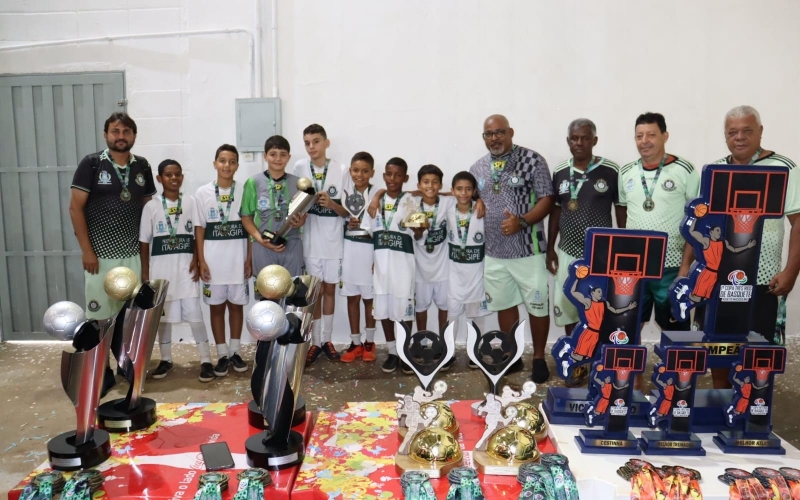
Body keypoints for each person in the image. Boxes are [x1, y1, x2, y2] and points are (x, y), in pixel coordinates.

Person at [679, 105, 800, 387]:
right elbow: (699, 223)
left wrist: (791, 271)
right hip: (717, 276)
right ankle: (723, 401)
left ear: (760, 132)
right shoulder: (717, 171)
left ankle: (751, 411)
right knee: (717, 347)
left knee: (757, 355)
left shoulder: (784, 169)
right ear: (725, 136)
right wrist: (686, 267)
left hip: (762, 279)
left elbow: (798, 222)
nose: (740, 137)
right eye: (732, 132)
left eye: (747, 130)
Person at [69, 112, 156, 394]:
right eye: (115, 131)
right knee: (100, 317)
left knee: (127, 316)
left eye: (127, 131)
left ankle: (124, 363)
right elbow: (75, 208)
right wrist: (87, 250)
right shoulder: (92, 164)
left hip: (131, 254)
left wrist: (145, 260)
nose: (121, 136)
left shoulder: (142, 166)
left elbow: (147, 210)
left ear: (134, 135)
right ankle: (101, 371)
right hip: (100, 257)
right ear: (106, 134)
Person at [469, 114, 555, 383]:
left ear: (511, 132)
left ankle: (539, 357)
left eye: (499, 132)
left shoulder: (533, 160)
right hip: (494, 253)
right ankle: (513, 355)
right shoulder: (478, 167)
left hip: (528, 251)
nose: (494, 138)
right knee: (505, 304)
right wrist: (476, 199)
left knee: (537, 306)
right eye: (489, 134)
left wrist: (522, 221)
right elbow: (467, 192)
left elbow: (548, 199)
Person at [619, 112, 699, 332]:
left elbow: (696, 220)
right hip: (635, 267)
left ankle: (679, 367)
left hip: (672, 266)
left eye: (651, 135)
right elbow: (623, 213)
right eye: (639, 136)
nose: (644, 141)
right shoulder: (626, 172)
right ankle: (625, 366)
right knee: (629, 324)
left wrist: (685, 267)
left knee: (675, 325)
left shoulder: (685, 170)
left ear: (665, 136)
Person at [548, 118, 624, 336]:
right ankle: (575, 357)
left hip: (601, 254)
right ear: (568, 141)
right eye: (574, 138)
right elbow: (556, 210)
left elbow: (620, 210)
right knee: (568, 305)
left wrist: (623, 246)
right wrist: (550, 249)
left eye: (585, 138)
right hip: (567, 251)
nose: (579, 142)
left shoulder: (611, 170)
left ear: (594, 140)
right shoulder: (560, 171)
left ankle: (597, 356)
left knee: (599, 305)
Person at [139, 160, 214, 382]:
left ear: (182, 177)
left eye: (178, 174)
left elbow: (197, 234)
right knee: (163, 318)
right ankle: (166, 359)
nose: (174, 178)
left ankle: (206, 360)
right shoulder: (151, 207)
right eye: (169, 175)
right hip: (161, 273)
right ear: (159, 179)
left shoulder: (190, 202)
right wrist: (145, 273)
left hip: (186, 270)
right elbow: (144, 241)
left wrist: (197, 259)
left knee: (195, 315)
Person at [293, 124, 352, 364]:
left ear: (326, 143)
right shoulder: (299, 167)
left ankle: (327, 339)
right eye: (307, 143)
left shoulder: (341, 169)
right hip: (310, 243)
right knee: (314, 292)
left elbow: (349, 211)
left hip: (334, 243)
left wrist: (332, 205)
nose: (311, 147)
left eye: (316, 142)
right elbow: (295, 204)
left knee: (330, 290)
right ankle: (314, 341)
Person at [194, 144, 251, 377]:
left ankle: (235, 351)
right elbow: (199, 229)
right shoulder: (203, 193)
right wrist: (201, 260)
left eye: (232, 161)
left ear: (237, 165)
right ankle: (222, 354)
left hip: (237, 261)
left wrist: (249, 259)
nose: (227, 165)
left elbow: (249, 229)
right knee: (216, 309)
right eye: (223, 161)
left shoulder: (245, 190)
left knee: (236, 307)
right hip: (213, 263)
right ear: (215, 163)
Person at [360, 158, 417, 373]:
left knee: (404, 310)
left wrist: (420, 226)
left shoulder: (411, 201)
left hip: (404, 266)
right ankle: (392, 352)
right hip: (381, 267)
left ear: (405, 178)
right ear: (383, 176)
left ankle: (405, 352)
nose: (393, 179)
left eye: (398, 175)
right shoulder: (374, 201)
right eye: (389, 174)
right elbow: (368, 234)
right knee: (383, 310)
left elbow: (419, 234)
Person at [240, 134, 306, 281]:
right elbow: (246, 217)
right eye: (273, 154)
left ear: (288, 157)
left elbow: (303, 215)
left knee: (292, 297)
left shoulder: (298, 183)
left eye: (283, 155)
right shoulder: (253, 182)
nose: (278, 159)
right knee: (268, 297)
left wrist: (301, 222)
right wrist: (260, 239)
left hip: (292, 244)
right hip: (263, 246)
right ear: (265, 156)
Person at [445, 171, 491, 368]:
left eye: (468, 189)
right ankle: (448, 352)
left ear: (474, 191)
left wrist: (480, 199)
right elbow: (424, 195)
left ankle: (475, 351)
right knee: (452, 316)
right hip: (455, 273)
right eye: (459, 189)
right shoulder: (447, 208)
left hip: (476, 274)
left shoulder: (482, 210)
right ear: (452, 190)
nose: (463, 193)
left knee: (476, 316)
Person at [339, 152, 378, 363]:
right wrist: (348, 221)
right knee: (352, 297)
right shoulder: (345, 194)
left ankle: (370, 342)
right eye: (355, 170)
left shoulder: (376, 194)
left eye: (364, 171)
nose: (360, 174)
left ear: (372, 172)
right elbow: (341, 217)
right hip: (350, 251)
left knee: (369, 299)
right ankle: (355, 342)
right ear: (350, 171)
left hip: (369, 252)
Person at [412, 165, 454, 342]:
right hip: (420, 269)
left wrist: (480, 201)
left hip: (442, 268)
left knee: (444, 307)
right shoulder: (412, 204)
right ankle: (421, 342)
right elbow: (416, 236)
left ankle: (443, 343)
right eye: (426, 182)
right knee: (421, 308)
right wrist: (419, 232)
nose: (430, 186)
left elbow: (461, 195)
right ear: (419, 185)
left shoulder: (448, 203)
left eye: (435, 182)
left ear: (441, 185)